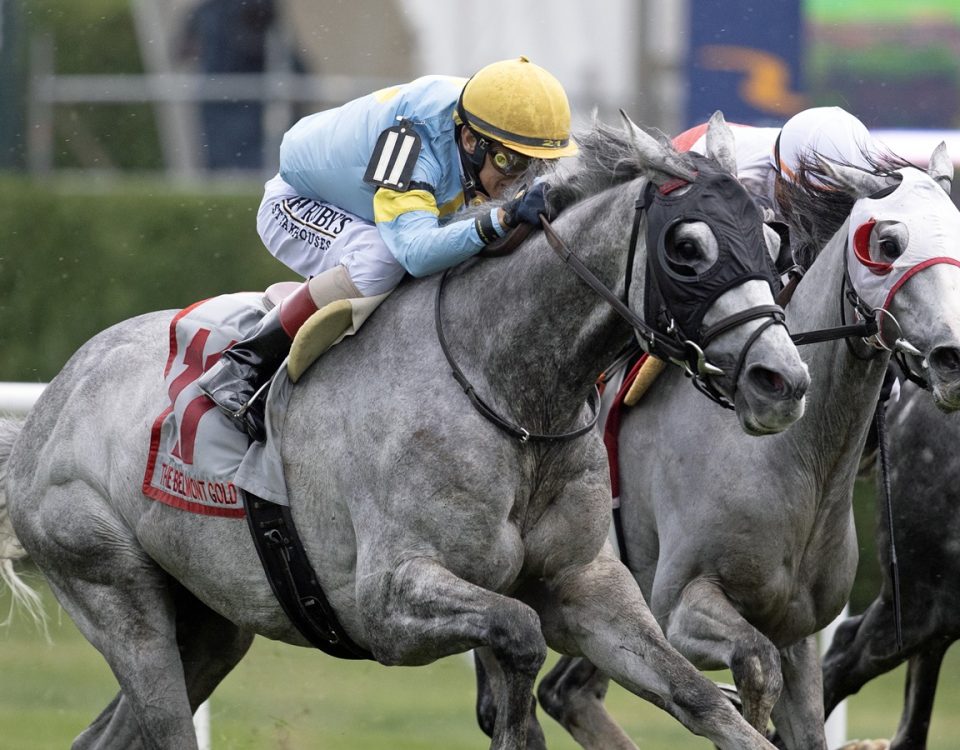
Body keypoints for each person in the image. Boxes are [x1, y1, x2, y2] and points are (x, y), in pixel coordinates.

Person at [198, 56, 579, 441]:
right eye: (508, 162)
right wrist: (502, 217)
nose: (521, 180)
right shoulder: (410, 141)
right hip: (296, 202)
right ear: (469, 141)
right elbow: (414, 252)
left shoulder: (487, 117)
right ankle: (242, 364)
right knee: (382, 259)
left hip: (375, 207)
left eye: (537, 166)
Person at [673, 106, 881, 264]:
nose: (819, 215)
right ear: (780, 177)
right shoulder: (741, 176)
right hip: (687, 159)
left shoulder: (847, 183)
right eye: (809, 201)